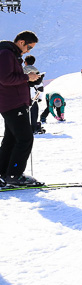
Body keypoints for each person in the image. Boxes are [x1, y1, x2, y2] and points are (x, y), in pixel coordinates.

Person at [0, 31, 43, 186]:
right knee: (25, 139)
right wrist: (27, 78)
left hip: (11, 102)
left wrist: (28, 80)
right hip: (13, 103)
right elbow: (5, 79)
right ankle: (14, 174)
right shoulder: (6, 54)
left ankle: (4, 172)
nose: (29, 51)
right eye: (29, 47)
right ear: (21, 42)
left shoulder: (11, 53)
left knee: (11, 139)